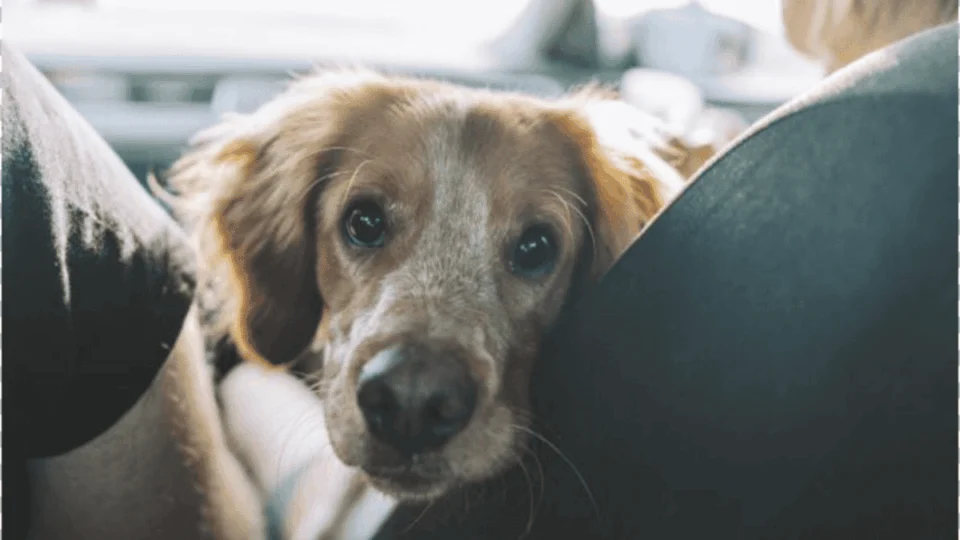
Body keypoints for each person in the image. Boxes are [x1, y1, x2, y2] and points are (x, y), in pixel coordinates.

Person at [373, 22, 959, 540]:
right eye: (368, 225)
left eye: (533, 247)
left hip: (509, 507)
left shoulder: (829, 151)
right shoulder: (886, 128)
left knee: (275, 409)